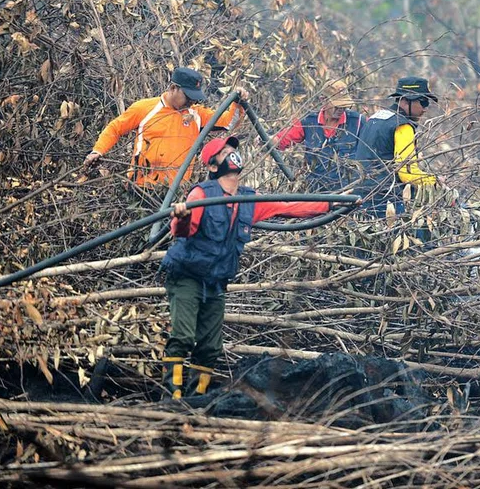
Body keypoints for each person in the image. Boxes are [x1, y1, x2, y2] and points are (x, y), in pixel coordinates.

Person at [159, 136, 348, 399]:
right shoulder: (201, 194)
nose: (232, 154)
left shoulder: (249, 200)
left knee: (211, 346)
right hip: (187, 276)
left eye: (233, 150)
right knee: (183, 336)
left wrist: (332, 203)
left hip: (217, 281)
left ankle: (195, 399)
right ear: (213, 165)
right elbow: (183, 231)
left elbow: (290, 206)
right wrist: (180, 216)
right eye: (225, 152)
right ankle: (172, 398)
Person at [83, 67, 249, 189]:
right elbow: (115, 128)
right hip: (142, 189)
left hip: (176, 192)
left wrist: (238, 103)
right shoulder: (145, 108)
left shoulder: (196, 114)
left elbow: (228, 123)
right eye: (188, 96)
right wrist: (98, 151)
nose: (192, 102)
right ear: (173, 88)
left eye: (194, 98)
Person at [354, 76, 439, 217]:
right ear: (405, 100)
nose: (425, 109)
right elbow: (407, 173)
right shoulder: (403, 126)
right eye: (423, 102)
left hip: (360, 198)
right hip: (388, 203)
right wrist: (435, 181)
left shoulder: (375, 118)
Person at [274, 80, 364, 193]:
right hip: (316, 192)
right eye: (337, 105)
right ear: (323, 100)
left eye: (344, 105)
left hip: (347, 192)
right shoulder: (308, 121)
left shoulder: (358, 121)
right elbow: (282, 140)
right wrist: (266, 140)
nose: (341, 109)